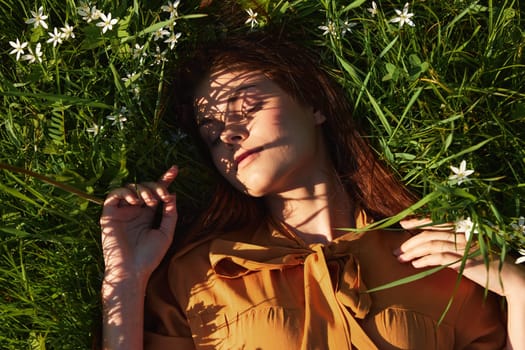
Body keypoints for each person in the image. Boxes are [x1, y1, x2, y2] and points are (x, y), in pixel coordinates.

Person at [100, 33, 525, 349]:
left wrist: (518, 288)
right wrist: (124, 281)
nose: (228, 133)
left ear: (314, 104)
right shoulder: (198, 274)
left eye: (246, 106)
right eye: (210, 134)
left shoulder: (435, 259)